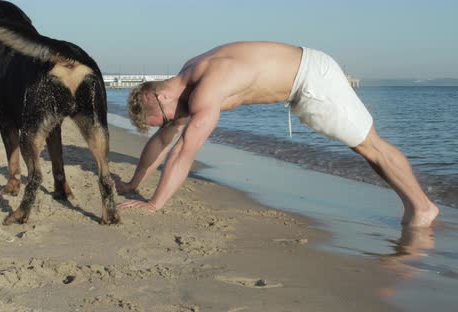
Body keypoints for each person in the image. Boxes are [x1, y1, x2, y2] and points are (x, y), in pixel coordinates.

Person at [115, 41, 439, 227]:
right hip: (304, 78)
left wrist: (155, 204)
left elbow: (185, 151)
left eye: (164, 118)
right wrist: (133, 184)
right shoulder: (189, 76)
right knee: (366, 148)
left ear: (161, 96)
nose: (170, 122)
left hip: (313, 81)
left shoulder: (206, 90)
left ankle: (422, 207)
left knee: (371, 147)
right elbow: (163, 139)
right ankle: (418, 205)